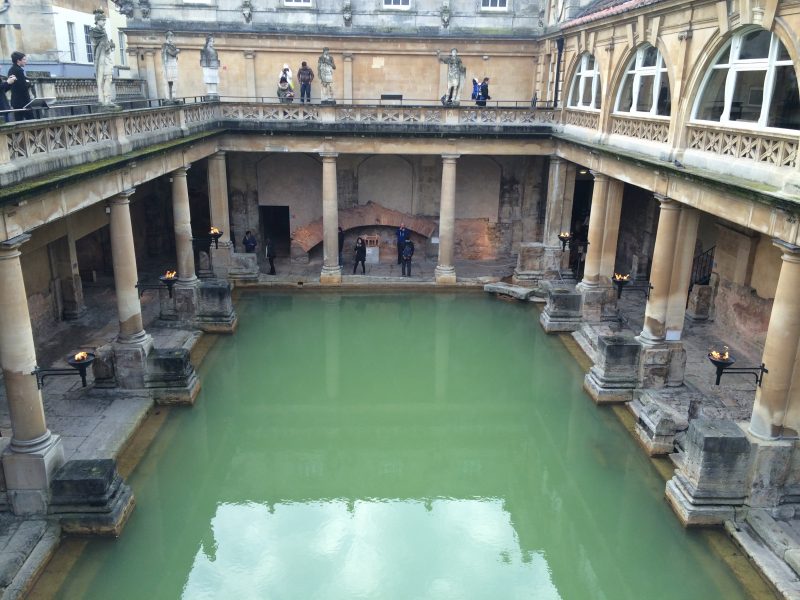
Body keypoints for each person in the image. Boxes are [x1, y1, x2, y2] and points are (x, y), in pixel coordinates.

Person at [89, 10, 115, 106]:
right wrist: (107, 45)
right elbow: (95, 45)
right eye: (103, 20)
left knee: (108, 78)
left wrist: (110, 46)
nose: (104, 22)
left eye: (105, 20)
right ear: (97, 21)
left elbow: (106, 46)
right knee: (104, 78)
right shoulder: (94, 32)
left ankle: (107, 98)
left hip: (106, 57)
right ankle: (104, 99)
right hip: (100, 58)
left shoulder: (104, 32)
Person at [8, 51, 32, 121]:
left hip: (16, 101)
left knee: (19, 121)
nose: (26, 61)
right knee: (32, 121)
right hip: (23, 102)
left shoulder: (11, 69)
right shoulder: (18, 70)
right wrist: (28, 83)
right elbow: (23, 86)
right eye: (24, 59)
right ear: (18, 60)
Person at [162, 31, 180, 101]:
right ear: (167, 37)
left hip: (173, 64)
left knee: (174, 80)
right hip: (168, 64)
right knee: (168, 81)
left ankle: (174, 97)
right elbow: (171, 53)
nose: (171, 38)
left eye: (172, 37)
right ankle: (168, 98)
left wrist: (176, 52)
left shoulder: (173, 45)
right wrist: (177, 51)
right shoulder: (165, 45)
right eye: (170, 37)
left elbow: (174, 56)